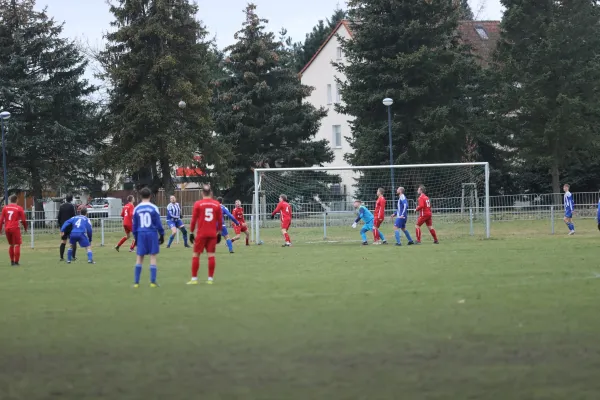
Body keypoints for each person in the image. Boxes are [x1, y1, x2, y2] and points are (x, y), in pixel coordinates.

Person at [188, 185, 223, 285]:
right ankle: (210, 279)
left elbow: (194, 220)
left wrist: (191, 232)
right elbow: (220, 221)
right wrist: (219, 232)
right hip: (212, 234)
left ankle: (194, 279)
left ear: (202, 193)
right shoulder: (216, 204)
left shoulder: (198, 204)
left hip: (201, 234)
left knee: (196, 255)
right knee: (211, 255)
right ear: (211, 193)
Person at [132, 187, 165, 288]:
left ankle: (136, 283)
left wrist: (136, 237)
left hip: (141, 233)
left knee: (139, 257)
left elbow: (134, 226)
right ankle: (152, 282)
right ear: (150, 195)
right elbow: (158, 223)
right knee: (153, 256)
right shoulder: (154, 208)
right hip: (151, 233)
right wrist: (162, 234)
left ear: (140, 196)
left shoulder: (136, 208)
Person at [0, 194, 27, 266]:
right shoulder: (19, 208)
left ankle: (12, 262)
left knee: (11, 245)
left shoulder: (5, 208)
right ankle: (16, 262)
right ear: (16, 200)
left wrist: (0, 230)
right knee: (17, 244)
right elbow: (24, 220)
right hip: (15, 228)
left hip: (7, 228)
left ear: (10, 200)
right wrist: (25, 227)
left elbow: (1, 220)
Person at [58, 194, 77, 261]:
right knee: (73, 241)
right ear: (71, 199)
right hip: (70, 227)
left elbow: (59, 217)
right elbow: (74, 217)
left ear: (66, 199)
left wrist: (61, 227)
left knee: (63, 241)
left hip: (63, 226)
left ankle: (61, 257)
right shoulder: (72, 206)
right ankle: (73, 256)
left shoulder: (61, 206)